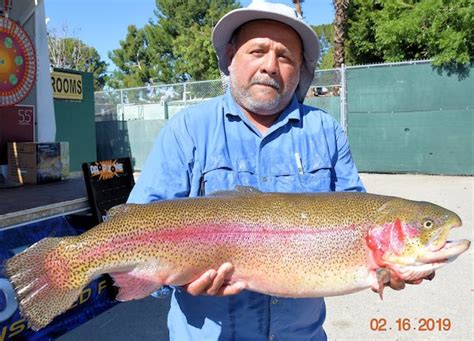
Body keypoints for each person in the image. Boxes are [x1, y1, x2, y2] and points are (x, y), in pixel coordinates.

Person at [128, 1, 428, 340]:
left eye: (284, 56)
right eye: (257, 51)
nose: (270, 66)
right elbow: (137, 231)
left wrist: (390, 267)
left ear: (300, 68)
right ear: (230, 55)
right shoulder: (187, 130)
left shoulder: (326, 132)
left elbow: (359, 226)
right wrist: (177, 279)